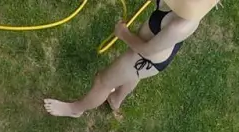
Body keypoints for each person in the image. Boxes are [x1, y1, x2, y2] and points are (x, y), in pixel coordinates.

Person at [43, 0, 218, 119]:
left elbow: (147, 50)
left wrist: (124, 34)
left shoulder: (181, 26)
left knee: (102, 81)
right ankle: (115, 100)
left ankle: (75, 110)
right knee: (131, 76)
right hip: (147, 49)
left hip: (146, 57)